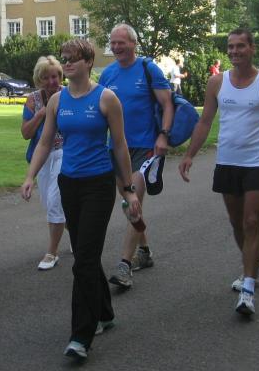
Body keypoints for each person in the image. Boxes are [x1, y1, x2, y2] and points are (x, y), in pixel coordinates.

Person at [21, 38, 141, 361]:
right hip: (69, 183)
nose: (67, 63)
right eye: (65, 58)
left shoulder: (106, 99)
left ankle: (80, 336)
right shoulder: (57, 101)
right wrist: (30, 176)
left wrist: (128, 188)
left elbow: (119, 145)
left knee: (84, 259)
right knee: (87, 254)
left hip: (98, 185)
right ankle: (105, 312)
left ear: (88, 62)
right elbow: (44, 142)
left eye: (73, 58)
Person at [179, 28, 259, 317]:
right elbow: (205, 122)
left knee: (251, 220)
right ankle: (253, 267)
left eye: (240, 46)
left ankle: (248, 289)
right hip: (227, 162)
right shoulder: (217, 82)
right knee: (236, 222)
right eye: (230, 47)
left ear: (252, 48)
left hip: (257, 162)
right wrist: (190, 154)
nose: (234, 51)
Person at [99, 24, 173, 289]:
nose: (116, 47)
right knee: (129, 205)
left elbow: (167, 104)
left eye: (121, 42)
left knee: (133, 202)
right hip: (116, 149)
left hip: (145, 148)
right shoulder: (107, 74)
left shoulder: (148, 69)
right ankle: (145, 251)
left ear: (133, 43)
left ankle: (124, 266)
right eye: (113, 42)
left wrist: (163, 135)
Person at [21, 55, 66, 270]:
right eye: (46, 77)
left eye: (55, 76)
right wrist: (41, 114)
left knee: (55, 201)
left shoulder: (69, 95)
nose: (52, 81)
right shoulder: (33, 100)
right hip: (42, 156)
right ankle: (76, 232)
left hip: (65, 153)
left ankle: (52, 252)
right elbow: (25, 133)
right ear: (39, 79)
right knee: (49, 204)